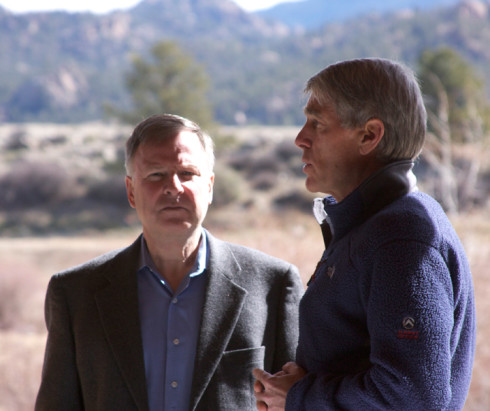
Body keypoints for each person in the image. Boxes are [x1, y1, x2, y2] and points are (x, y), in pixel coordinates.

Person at [35, 114, 304, 411]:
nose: (173, 187)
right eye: (155, 175)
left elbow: (298, 400)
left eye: (187, 173)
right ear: (131, 191)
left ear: (210, 186)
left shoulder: (273, 284)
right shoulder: (75, 292)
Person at [253, 58, 476, 410]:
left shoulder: (400, 235)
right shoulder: (378, 223)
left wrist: (301, 396)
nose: (300, 139)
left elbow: (414, 396)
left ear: (369, 135)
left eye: (317, 123)